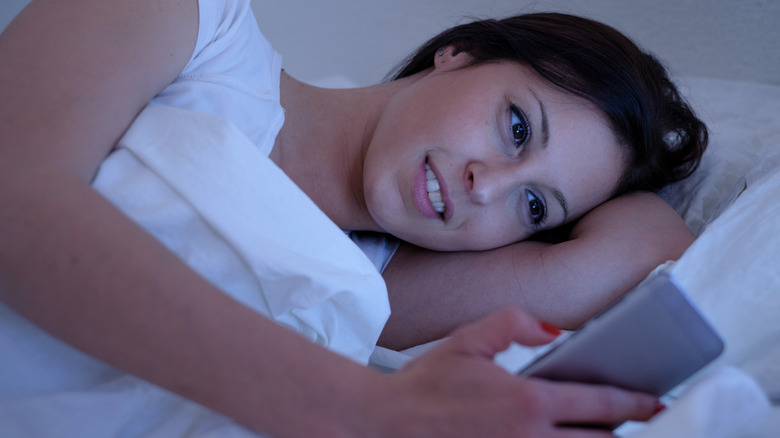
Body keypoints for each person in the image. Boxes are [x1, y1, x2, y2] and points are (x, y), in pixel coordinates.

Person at [0, 0, 705, 437]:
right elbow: (15, 195)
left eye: (533, 206)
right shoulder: (192, 27)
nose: (487, 188)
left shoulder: (379, 286)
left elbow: (648, 245)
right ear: (455, 54)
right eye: (517, 127)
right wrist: (359, 408)